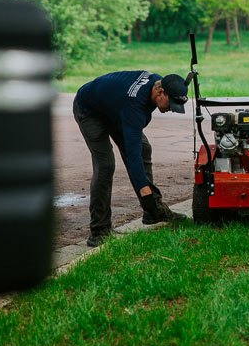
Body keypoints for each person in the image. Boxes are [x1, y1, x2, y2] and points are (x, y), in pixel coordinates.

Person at [73, 70, 189, 246]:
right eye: (171, 104)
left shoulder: (159, 83)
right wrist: (145, 193)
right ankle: (99, 230)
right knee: (106, 165)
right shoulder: (135, 106)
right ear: (160, 92)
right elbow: (132, 157)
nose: (172, 109)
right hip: (90, 110)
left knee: (144, 149)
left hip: (115, 108)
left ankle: (153, 212)